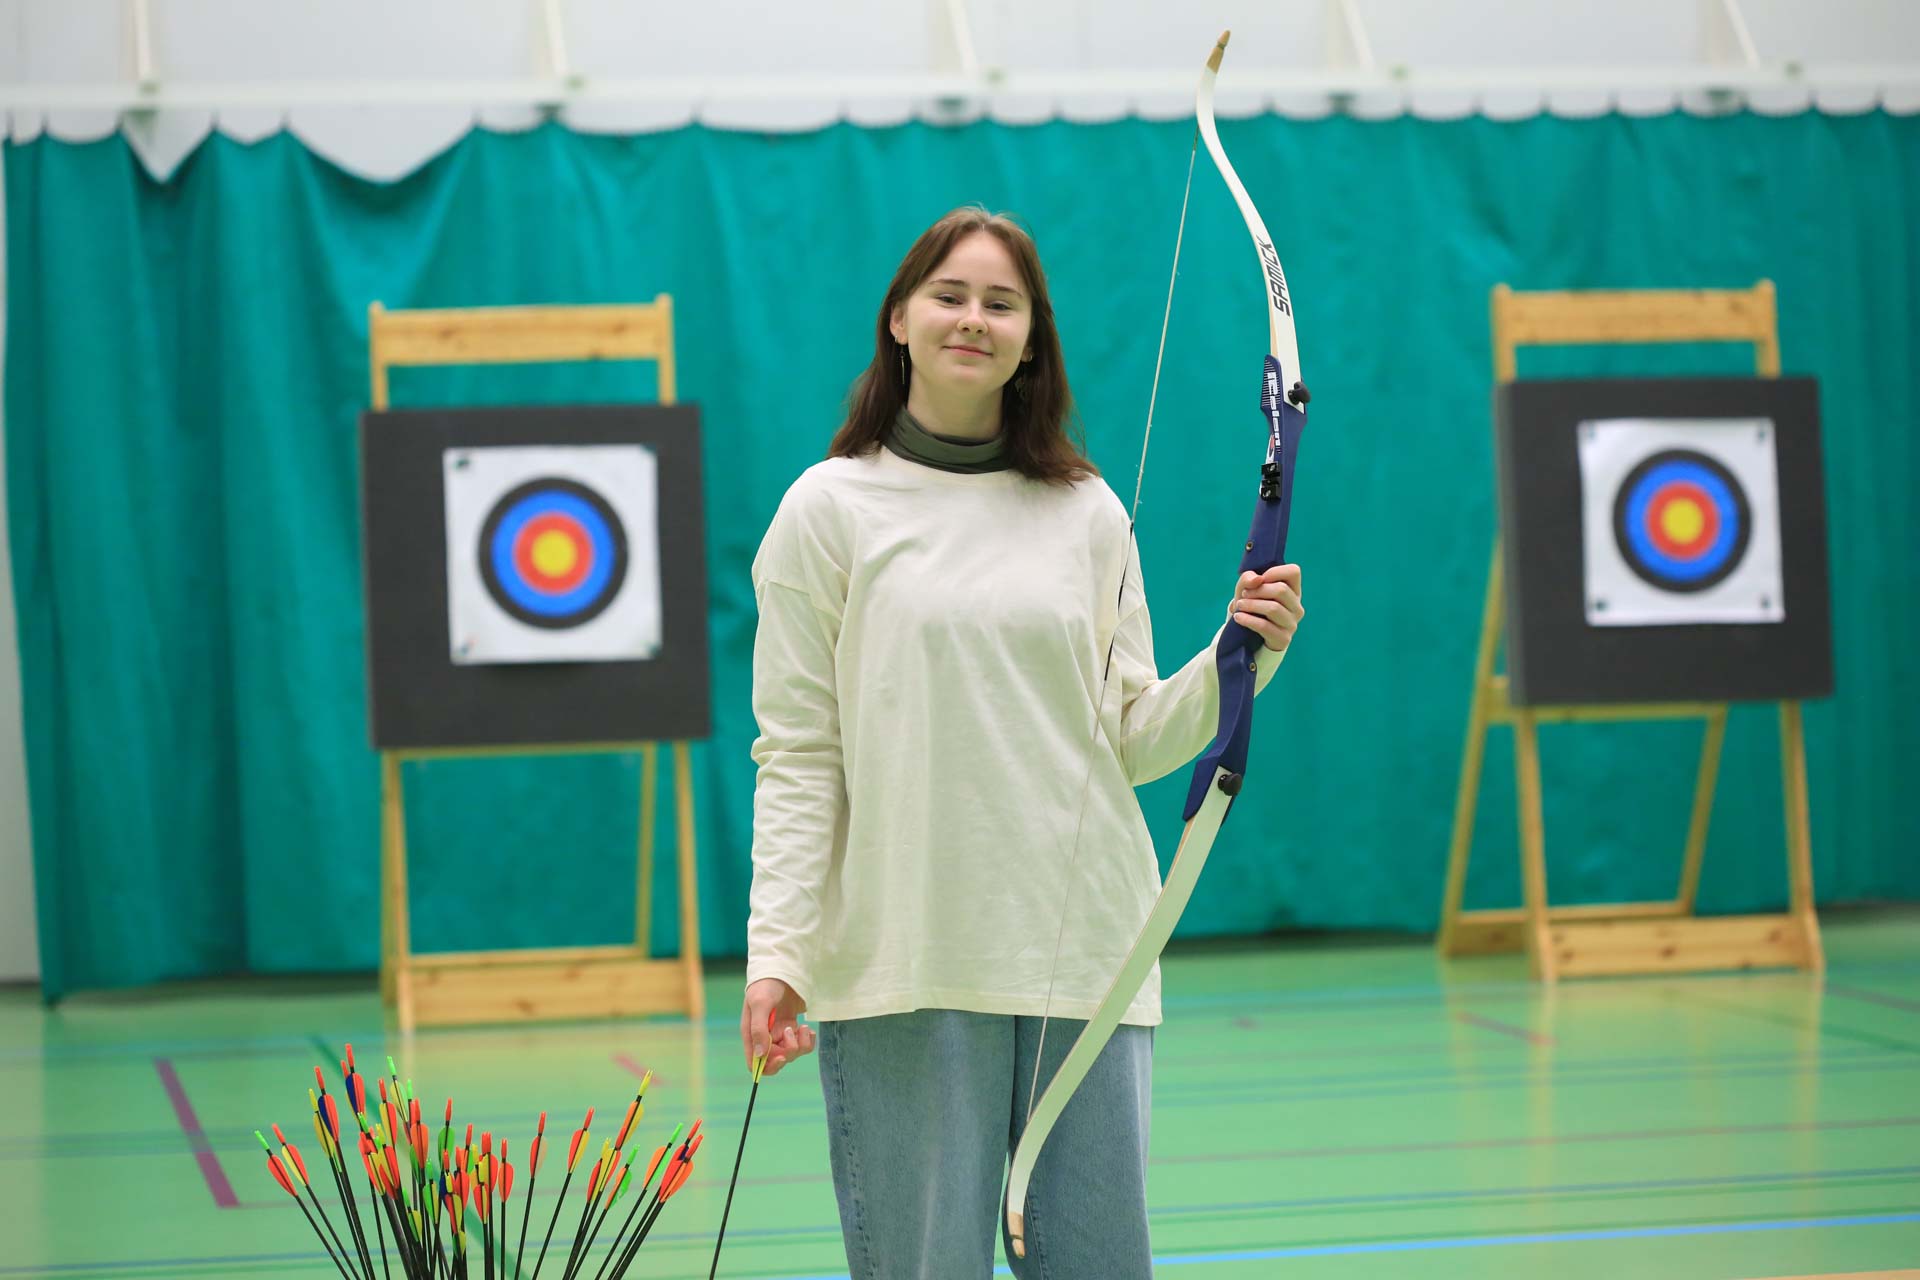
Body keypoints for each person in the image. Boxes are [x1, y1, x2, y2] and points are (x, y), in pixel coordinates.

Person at [738, 204, 1303, 1278]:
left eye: (1002, 303)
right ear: (898, 317)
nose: (973, 318)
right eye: (949, 294)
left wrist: (1241, 656)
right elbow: (800, 755)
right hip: (902, 961)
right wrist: (780, 952)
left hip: (1085, 959)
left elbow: (1130, 736)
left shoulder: (1086, 512)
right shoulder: (827, 509)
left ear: (1031, 337)